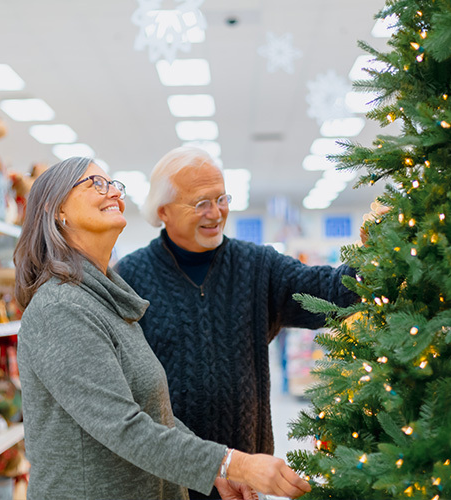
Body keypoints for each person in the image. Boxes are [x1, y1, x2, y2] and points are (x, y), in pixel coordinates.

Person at [13, 156, 311, 500]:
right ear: (55, 209)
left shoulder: (108, 301)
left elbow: (154, 414)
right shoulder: (60, 309)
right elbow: (123, 426)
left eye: (114, 185)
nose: (113, 192)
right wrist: (232, 463)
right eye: (95, 183)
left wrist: (213, 471)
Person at [117, 146, 361, 499]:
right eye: (201, 202)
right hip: (164, 480)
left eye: (221, 198)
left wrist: (377, 255)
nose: (216, 213)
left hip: (245, 481)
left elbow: (328, 292)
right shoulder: (130, 277)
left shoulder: (257, 265)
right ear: (163, 211)